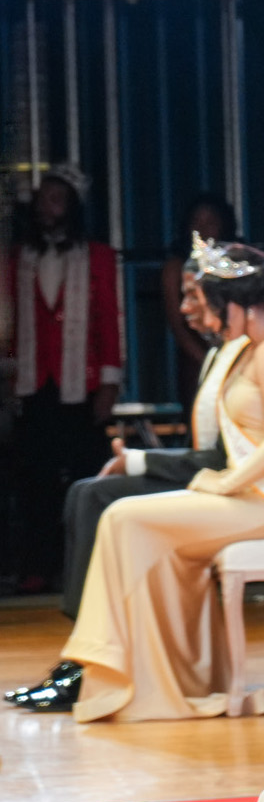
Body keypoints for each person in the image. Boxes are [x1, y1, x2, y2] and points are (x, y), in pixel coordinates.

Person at [13, 237, 264, 720]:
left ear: (239, 302)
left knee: (124, 516)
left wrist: (224, 483)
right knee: (125, 520)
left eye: (210, 302)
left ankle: (107, 668)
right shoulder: (251, 349)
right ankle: (143, 670)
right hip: (253, 492)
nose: (204, 313)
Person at [5, 254, 241, 707]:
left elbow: (223, 458)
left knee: (97, 497)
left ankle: (84, 660)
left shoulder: (245, 355)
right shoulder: (217, 353)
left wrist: (135, 461)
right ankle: (84, 649)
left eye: (192, 296)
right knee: (83, 492)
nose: (184, 307)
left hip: (226, 487)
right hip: (207, 474)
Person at [4, 165, 121, 594]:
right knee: (36, 479)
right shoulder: (19, 257)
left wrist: (109, 383)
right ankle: (39, 565)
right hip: (35, 381)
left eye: (56, 198)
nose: (46, 206)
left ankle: (90, 565)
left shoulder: (97, 256)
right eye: (42, 199)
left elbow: (109, 319)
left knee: (85, 478)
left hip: (83, 382)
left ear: (72, 206)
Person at [160, 192, 238, 407]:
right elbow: (177, 326)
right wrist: (207, 361)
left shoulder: (237, 262)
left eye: (211, 222)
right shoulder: (176, 267)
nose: (203, 229)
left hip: (239, 359)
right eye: (196, 222)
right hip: (196, 362)